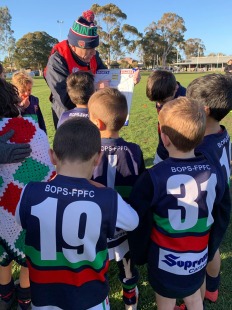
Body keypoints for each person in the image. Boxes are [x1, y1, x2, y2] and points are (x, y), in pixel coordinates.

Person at [15, 117, 139, 310]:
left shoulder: (29, 193)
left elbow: (20, 219)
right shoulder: (107, 198)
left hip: (44, 297)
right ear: (97, 158)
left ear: (52, 156)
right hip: (90, 298)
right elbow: (133, 221)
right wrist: (100, 188)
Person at [128, 97, 231, 310]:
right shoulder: (214, 172)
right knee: (194, 297)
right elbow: (221, 212)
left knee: (165, 301)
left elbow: (138, 222)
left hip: (164, 260)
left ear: (164, 138)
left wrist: (139, 254)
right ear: (202, 135)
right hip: (198, 255)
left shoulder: (152, 178)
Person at [0, 78, 54, 310]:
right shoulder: (35, 132)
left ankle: (4, 294)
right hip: (28, 207)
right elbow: (46, 173)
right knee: (27, 250)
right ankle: (25, 295)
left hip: (3, 209)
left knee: (2, 251)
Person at [89, 88, 145, 310]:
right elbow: (140, 185)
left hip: (96, 225)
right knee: (126, 262)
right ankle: (130, 295)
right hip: (125, 223)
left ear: (98, 124)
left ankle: (98, 293)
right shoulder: (135, 151)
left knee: (95, 263)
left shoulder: (89, 151)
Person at [44, 9, 140, 129]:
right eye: (89, 48)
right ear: (73, 46)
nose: (93, 53)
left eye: (94, 48)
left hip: (92, 114)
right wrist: (94, 89)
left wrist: (129, 80)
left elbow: (110, 80)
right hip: (68, 120)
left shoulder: (93, 56)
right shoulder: (57, 61)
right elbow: (67, 101)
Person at [186, 73, 232, 303]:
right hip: (223, 202)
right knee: (213, 248)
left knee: (203, 253)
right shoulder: (222, 133)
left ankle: (202, 296)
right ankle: (213, 288)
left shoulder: (200, 150)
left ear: (202, 110)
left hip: (209, 207)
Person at [146, 70, 186, 164]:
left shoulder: (186, 102)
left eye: (163, 101)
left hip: (180, 153)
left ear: (175, 88)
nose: (159, 105)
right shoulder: (164, 92)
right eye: (156, 101)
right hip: (163, 148)